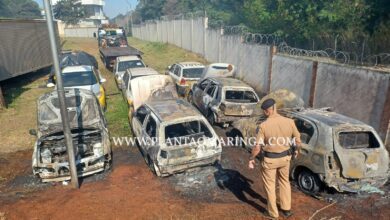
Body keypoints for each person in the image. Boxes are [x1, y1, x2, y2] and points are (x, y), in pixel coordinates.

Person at [248, 98, 301, 219]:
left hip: (270, 161)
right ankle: (286, 209)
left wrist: (251, 158)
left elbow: (257, 147)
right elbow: (298, 141)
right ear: (275, 108)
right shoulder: (289, 122)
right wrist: (297, 150)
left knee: (270, 186)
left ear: (266, 111)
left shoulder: (263, 126)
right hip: (285, 159)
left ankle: (273, 213)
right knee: (284, 182)